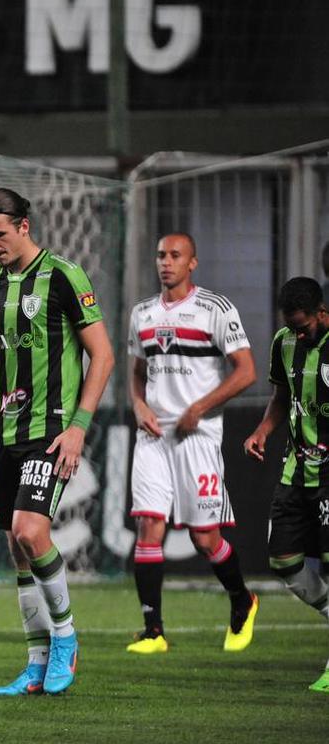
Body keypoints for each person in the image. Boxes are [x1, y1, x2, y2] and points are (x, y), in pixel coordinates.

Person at [0, 188, 114, 696]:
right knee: (18, 549)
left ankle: (66, 640)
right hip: (5, 431)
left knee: (31, 531)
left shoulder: (63, 275)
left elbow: (101, 356)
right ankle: (36, 662)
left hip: (52, 429)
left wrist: (79, 425)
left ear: (23, 225)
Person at [126, 233, 258, 653]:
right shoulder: (142, 313)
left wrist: (199, 407)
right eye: (161, 255)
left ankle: (242, 599)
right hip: (153, 436)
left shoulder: (215, 310)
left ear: (192, 263)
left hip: (197, 436)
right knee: (148, 526)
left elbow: (245, 372)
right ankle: (154, 632)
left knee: (205, 539)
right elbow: (135, 370)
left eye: (175, 255)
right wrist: (137, 405)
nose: (166, 262)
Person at [244, 277, 329, 693]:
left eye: (305, 326)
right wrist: (262, 431)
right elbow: (283, 396)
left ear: (322, 312)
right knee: (283, 560)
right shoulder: (283, 342)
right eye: (292, 326)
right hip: (295, 469)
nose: (299, 334)